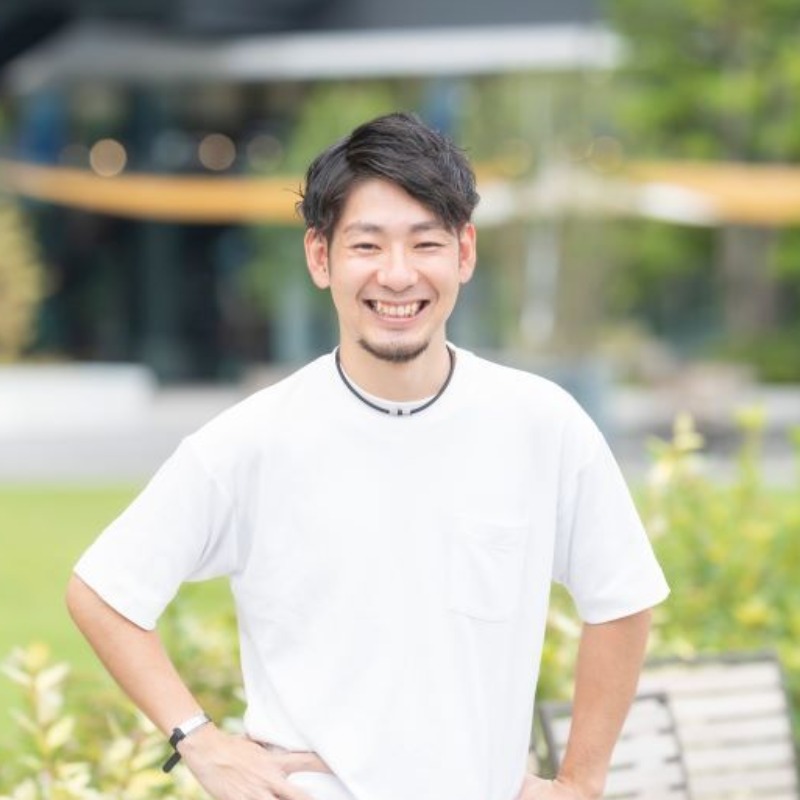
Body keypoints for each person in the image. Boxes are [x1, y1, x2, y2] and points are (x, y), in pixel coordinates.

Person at [66, 111, 669, 800]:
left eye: (425, 243)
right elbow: (103, 592)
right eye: (367, 245)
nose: (397, 274)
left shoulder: (541, 424)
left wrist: (579, 784)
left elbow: (621, 597)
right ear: (320, 257)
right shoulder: (253, 440)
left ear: (465, 253)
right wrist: (199, 740)